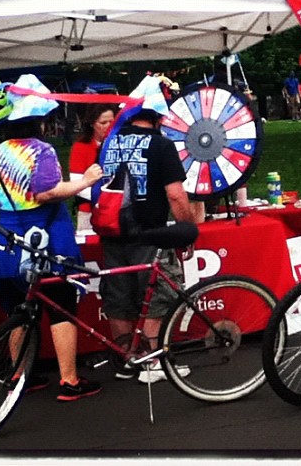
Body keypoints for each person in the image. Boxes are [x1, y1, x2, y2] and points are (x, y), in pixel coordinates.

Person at [0, 109, 104, 401]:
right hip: (47, 239)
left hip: (8, 238)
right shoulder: (42, 150)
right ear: (38, 121)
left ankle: (20, 374)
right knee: (61, 302)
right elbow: (47, 193)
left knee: (17, 305)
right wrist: (86, 181)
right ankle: (69, 379)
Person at [97, 78, 196, 384]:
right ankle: (154, 364)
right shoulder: (162, 145)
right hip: (149, 232)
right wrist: (186, 228)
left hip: (111, 231)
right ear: (157, 116)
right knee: (155, 295)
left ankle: (128, 361)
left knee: (118, 295)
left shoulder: (108, 142)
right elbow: (177, 195)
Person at [69, 103, 116, 231]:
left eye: (111, 122)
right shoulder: (80, 148)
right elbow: (77, 185)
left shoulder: (121, 144)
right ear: (92, 124)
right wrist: (106, 200)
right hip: (88, 210)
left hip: (118, 211)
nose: (108, 126)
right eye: (103, 122)